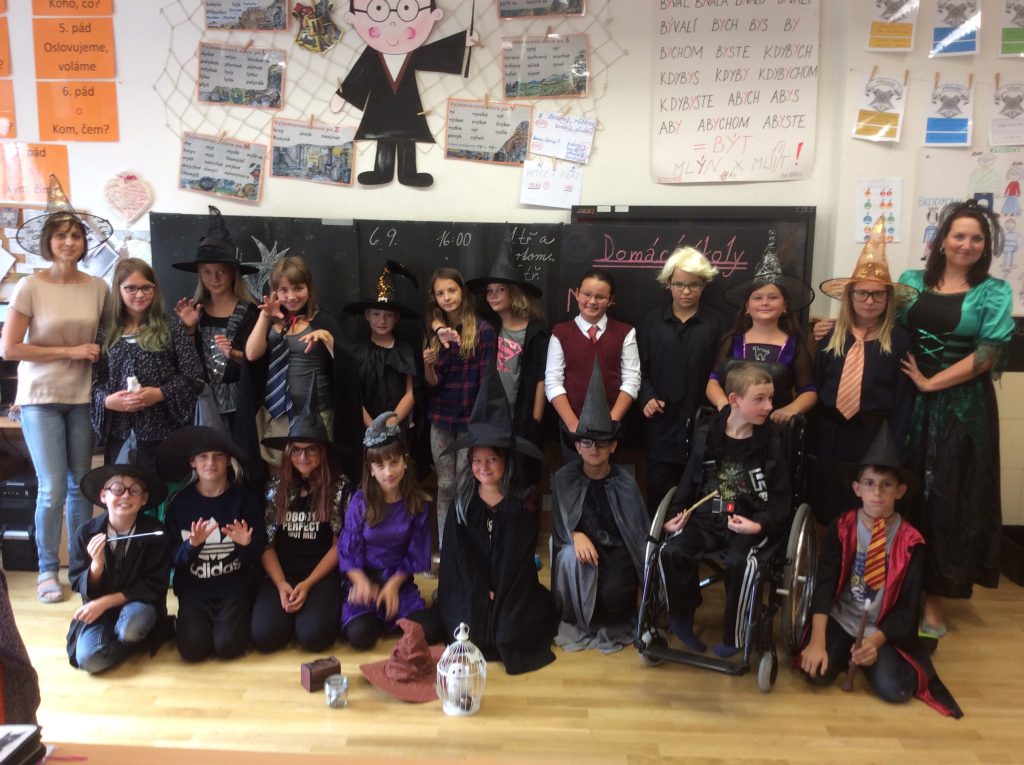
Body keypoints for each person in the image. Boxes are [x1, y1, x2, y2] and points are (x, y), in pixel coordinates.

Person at [897, 200, 1015, 637]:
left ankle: (934, 602)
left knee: (947, 498)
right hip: (908, 400)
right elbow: (878, 319)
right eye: (959, 235)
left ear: (986, 246)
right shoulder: (911, 281)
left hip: (962, 407)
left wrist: (932, 383)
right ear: (942, 240)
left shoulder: (994, 291)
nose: (967, 244)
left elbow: (988, 354)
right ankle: (898, 588)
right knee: (902, 490)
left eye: (977, 238)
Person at [799, 426, 963, 718]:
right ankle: (845, 650)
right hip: (842, 619)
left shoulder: (911, 542)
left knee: (896, 690)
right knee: (816, 673)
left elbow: (908, 608)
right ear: (857, 488)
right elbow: (824, 584)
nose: (877, 493)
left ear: (900, 491)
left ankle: (865, 656)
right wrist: (817, 640)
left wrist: (874, 642)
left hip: (881, 627)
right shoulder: (842, 527)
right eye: (869, 483)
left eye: (887, 485)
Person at [0, 177, 111, 604]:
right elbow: (10, 348)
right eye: (61, 235)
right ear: (48, 242)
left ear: (84, 243)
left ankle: (81, 567)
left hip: (83, 398)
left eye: (76, 235)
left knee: (82, 485)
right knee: (51, 489)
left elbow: (109, 339)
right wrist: (70, 350)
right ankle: (48, 568)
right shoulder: (30, 286)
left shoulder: (98, 288)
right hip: (41, 399)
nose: (69, 242)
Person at [660, 363, 790, 658]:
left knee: (739, 562)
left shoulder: (770, 441)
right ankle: (681, 618)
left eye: (771, 398)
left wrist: (759, 525)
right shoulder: (708, 433)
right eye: (760, 399)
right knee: (673, 551)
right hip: (707, 519)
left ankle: (735, 633)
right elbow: (688, 481)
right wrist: (674, 515)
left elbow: (781, 501)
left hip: (748, 522)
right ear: (734, 400)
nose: (769, 406)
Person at [434, 364, 556, 674]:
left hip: (511, 586)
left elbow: (518, 559)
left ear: (506, 461)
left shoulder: (521, 504)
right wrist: (480, 590)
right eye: (477, 460)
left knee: (508, 636)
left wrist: (498, 591)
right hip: (470, 586)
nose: (483, 467)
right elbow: (458, 557)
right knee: (468, 632)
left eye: (492, 459)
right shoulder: (463, 503)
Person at [814, 218, 916, 524]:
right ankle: (833, 547)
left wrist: (894, 445)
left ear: (888, 299)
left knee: (868, 503)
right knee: (829, 498)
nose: (869, 301)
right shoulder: (830, 337)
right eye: (862, 293)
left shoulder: (898, 340)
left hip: (874, 435)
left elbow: (903, 400)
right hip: (831, 432)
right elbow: (818, 384)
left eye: (878, 294)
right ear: (850, 296)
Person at [550, 361, 647, 652]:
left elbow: (637, 535)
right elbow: (559, 527)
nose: (594, 449)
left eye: (602, 443)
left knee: (613, 598)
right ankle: (577, 615)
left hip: (616, 552)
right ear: (577, 446)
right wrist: (575, 534)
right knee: (568, 555)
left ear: (613, 446)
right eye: (587, 442)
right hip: (582, 555)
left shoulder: (625, 484)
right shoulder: (564, 480)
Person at [330, 0, 478, 187]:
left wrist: (461, 41)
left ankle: (408, 173)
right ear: (353, 17)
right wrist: (343, 95)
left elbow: (433, 54)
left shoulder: (413, 53)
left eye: (406, 9)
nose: (392, 23)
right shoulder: (372, 55)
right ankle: (382, 171)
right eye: (378, 9)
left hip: (407, 104)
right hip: (380, 105)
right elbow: (360, 74)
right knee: (383, 138)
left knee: (408, 137)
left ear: (434, 15)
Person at [240, 254, 362, 480]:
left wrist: (328, 340)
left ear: (309, 288)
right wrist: (266, 316)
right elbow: (252, 355)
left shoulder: (322, 320)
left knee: (317, 472)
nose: (291, 296)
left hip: (317, 414)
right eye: (283, 290)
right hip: (277, 415)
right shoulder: (269, 322)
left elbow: (348, 368)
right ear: (274, 291)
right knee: (279, 473)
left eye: (298, 288)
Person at [251, 383, 351, 653]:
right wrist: (281, 583)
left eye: (311, 450)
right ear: (288, 453)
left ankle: (308, 613)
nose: (303, 456)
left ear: (323, 452)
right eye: (296, 449)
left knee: (314, 637)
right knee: (265, 636)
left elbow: (338, 545)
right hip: (283, 572)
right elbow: (267, 544)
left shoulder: (339, 487)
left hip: (320, 575)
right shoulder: (276, 487)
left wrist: (307, 585)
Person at [156, 426, 266, 663]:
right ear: (193, 462)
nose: (211, 463)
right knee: (192, 651)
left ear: (228, 461)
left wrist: (245, 545)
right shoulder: (179, 503)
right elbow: (170, 557)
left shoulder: (245, 499)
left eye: (218, 456)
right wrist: (191, 545)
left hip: (234, 587)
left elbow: (258, 553)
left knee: (228, 647)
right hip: (194, 590)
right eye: (203, 457)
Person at [91, 258, 203, 473]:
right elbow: (94, 383)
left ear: (155, 289)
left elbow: (193, 376)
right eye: (131, 288)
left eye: (146, 287)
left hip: (163, 431)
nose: (140, 294)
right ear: (118, 290)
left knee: (161, 487)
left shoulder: (170, 328)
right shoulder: (106, 333)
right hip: (121, 433)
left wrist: (160, 394)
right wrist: (107, 401)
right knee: (123, 486)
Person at [637, 246, 723, 509]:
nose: (686, 291)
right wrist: (646, 397)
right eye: (679, 284)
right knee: (659, 497)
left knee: (700, 500)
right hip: (661, 427)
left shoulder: (717, 324)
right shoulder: (651, 322)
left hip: (703, 427)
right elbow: (638, 369)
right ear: (668, 284)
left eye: (693, 285)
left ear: (704, 285)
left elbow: (723, 373)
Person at [338, 412, 433, 650]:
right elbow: (349, 548)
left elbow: (416, 552)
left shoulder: (418, 503)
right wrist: (359, 581)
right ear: (370, 469)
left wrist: (393, 585)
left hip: (398, 580)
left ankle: (390, 615)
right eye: (380, 466)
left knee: (429, 632)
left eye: (394, 462)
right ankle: (374, 617)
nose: (388, 472)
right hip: (367, 580)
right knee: (361, 636)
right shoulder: (360, 502)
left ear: (404, 461)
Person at [66, 463, 172, 674]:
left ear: (143, 499)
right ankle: (134, 644)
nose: (125, 495)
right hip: (100, 612)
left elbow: (154, 585)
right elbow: (78, 582)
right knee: (88, 660)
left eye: (134, 490)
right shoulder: (85, 533)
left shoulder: (155, 534)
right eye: (117, 489)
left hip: (138, 606)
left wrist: (106, 602)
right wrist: (96, 566)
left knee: (131, 627)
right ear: (103, 495)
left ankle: (134, 636)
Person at [423, 267, 497, 546]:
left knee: (467, 483)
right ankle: (446, 545)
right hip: (441, 417)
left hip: (470, 419)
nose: (447, 297)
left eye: (451, 290)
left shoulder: (483, 330)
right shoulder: (432, 332)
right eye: (440, 293)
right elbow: (432, 383)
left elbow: (487, 379)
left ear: (462, 292)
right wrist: (428, 365)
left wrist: (481, 422)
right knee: (444, 485)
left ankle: (465, 544)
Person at [707, 238, 817, 424]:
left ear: (785, 306)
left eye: (772, 297)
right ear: (747, 307)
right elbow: (713, 382)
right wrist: (724, 406)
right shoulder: (731, 341)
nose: (765, 303)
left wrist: (791, 409)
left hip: (775, 428)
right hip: (733, 425)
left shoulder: (794, 346)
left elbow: (809, 391)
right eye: (757, 298)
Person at [466, 240, 549, 486]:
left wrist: (536, 418)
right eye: (489, 291)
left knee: (520, 476)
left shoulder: (536, 332)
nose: (493, 296)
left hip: (522, 416)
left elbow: (541, 379)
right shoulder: (485, 326)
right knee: (493, 475)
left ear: (514, 293)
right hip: (490, 415)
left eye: (500, 290)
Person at [172, 206, 259, 432]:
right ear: (200, 274)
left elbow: (261, 363)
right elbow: (186, 364)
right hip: (203, 404)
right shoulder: (195, 311)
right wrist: (190, 329)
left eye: (222, 271)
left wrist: (235, 355)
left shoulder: (251, 313)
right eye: (207, 272)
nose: (215, 278)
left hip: (243, 403)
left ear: (233, 273)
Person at [545, 269, 640, 460]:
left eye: (600, 297)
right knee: (574, 473)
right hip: (572, 427)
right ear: (577, 293)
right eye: (587, 294)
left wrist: (610, 423)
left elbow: (631, 380)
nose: (592, 301)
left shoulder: (625, 333)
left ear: (611, 300)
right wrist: (574, 426)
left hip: (611, 429)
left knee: (608, 474)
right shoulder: (560, 333)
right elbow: (553, 382)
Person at [344, 260, 421, 431]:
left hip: (397, 424)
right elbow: (352, 394)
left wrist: (391, 423)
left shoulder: (405, 349)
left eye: (388, 315)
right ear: (367, 315)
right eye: (376, 314)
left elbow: (411, 392)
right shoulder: (356, 350)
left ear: (397, 317)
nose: (382, 320)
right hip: (365, 427)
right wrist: (373, 427)